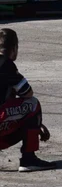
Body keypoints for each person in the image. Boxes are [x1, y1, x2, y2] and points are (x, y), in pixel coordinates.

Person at [0, 29, 54, 171]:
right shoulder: (6, 64)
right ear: (14, 48)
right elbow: (27, 93)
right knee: (33, 104)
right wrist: (35, 123)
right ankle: (28, 159)